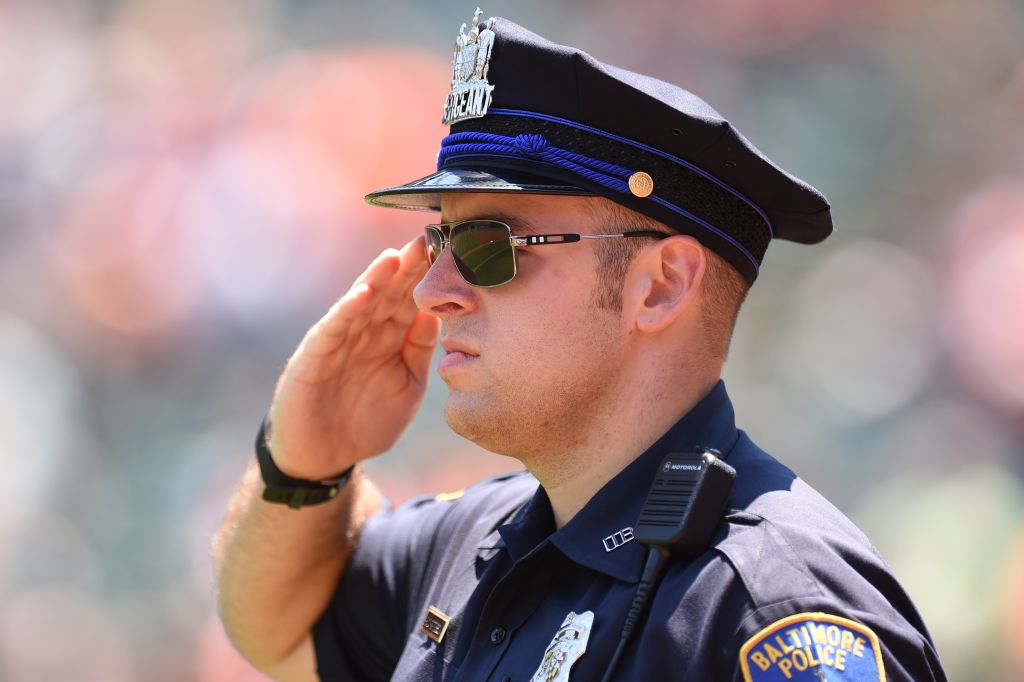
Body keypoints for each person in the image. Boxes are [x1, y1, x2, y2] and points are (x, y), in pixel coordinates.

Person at [213, 11, 947, 682]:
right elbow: (277, 630)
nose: (432, 290)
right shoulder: (477, 541)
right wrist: (304, 462)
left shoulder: (768, 611)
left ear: (659, 286)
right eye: (439, 237)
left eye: (487, 244)